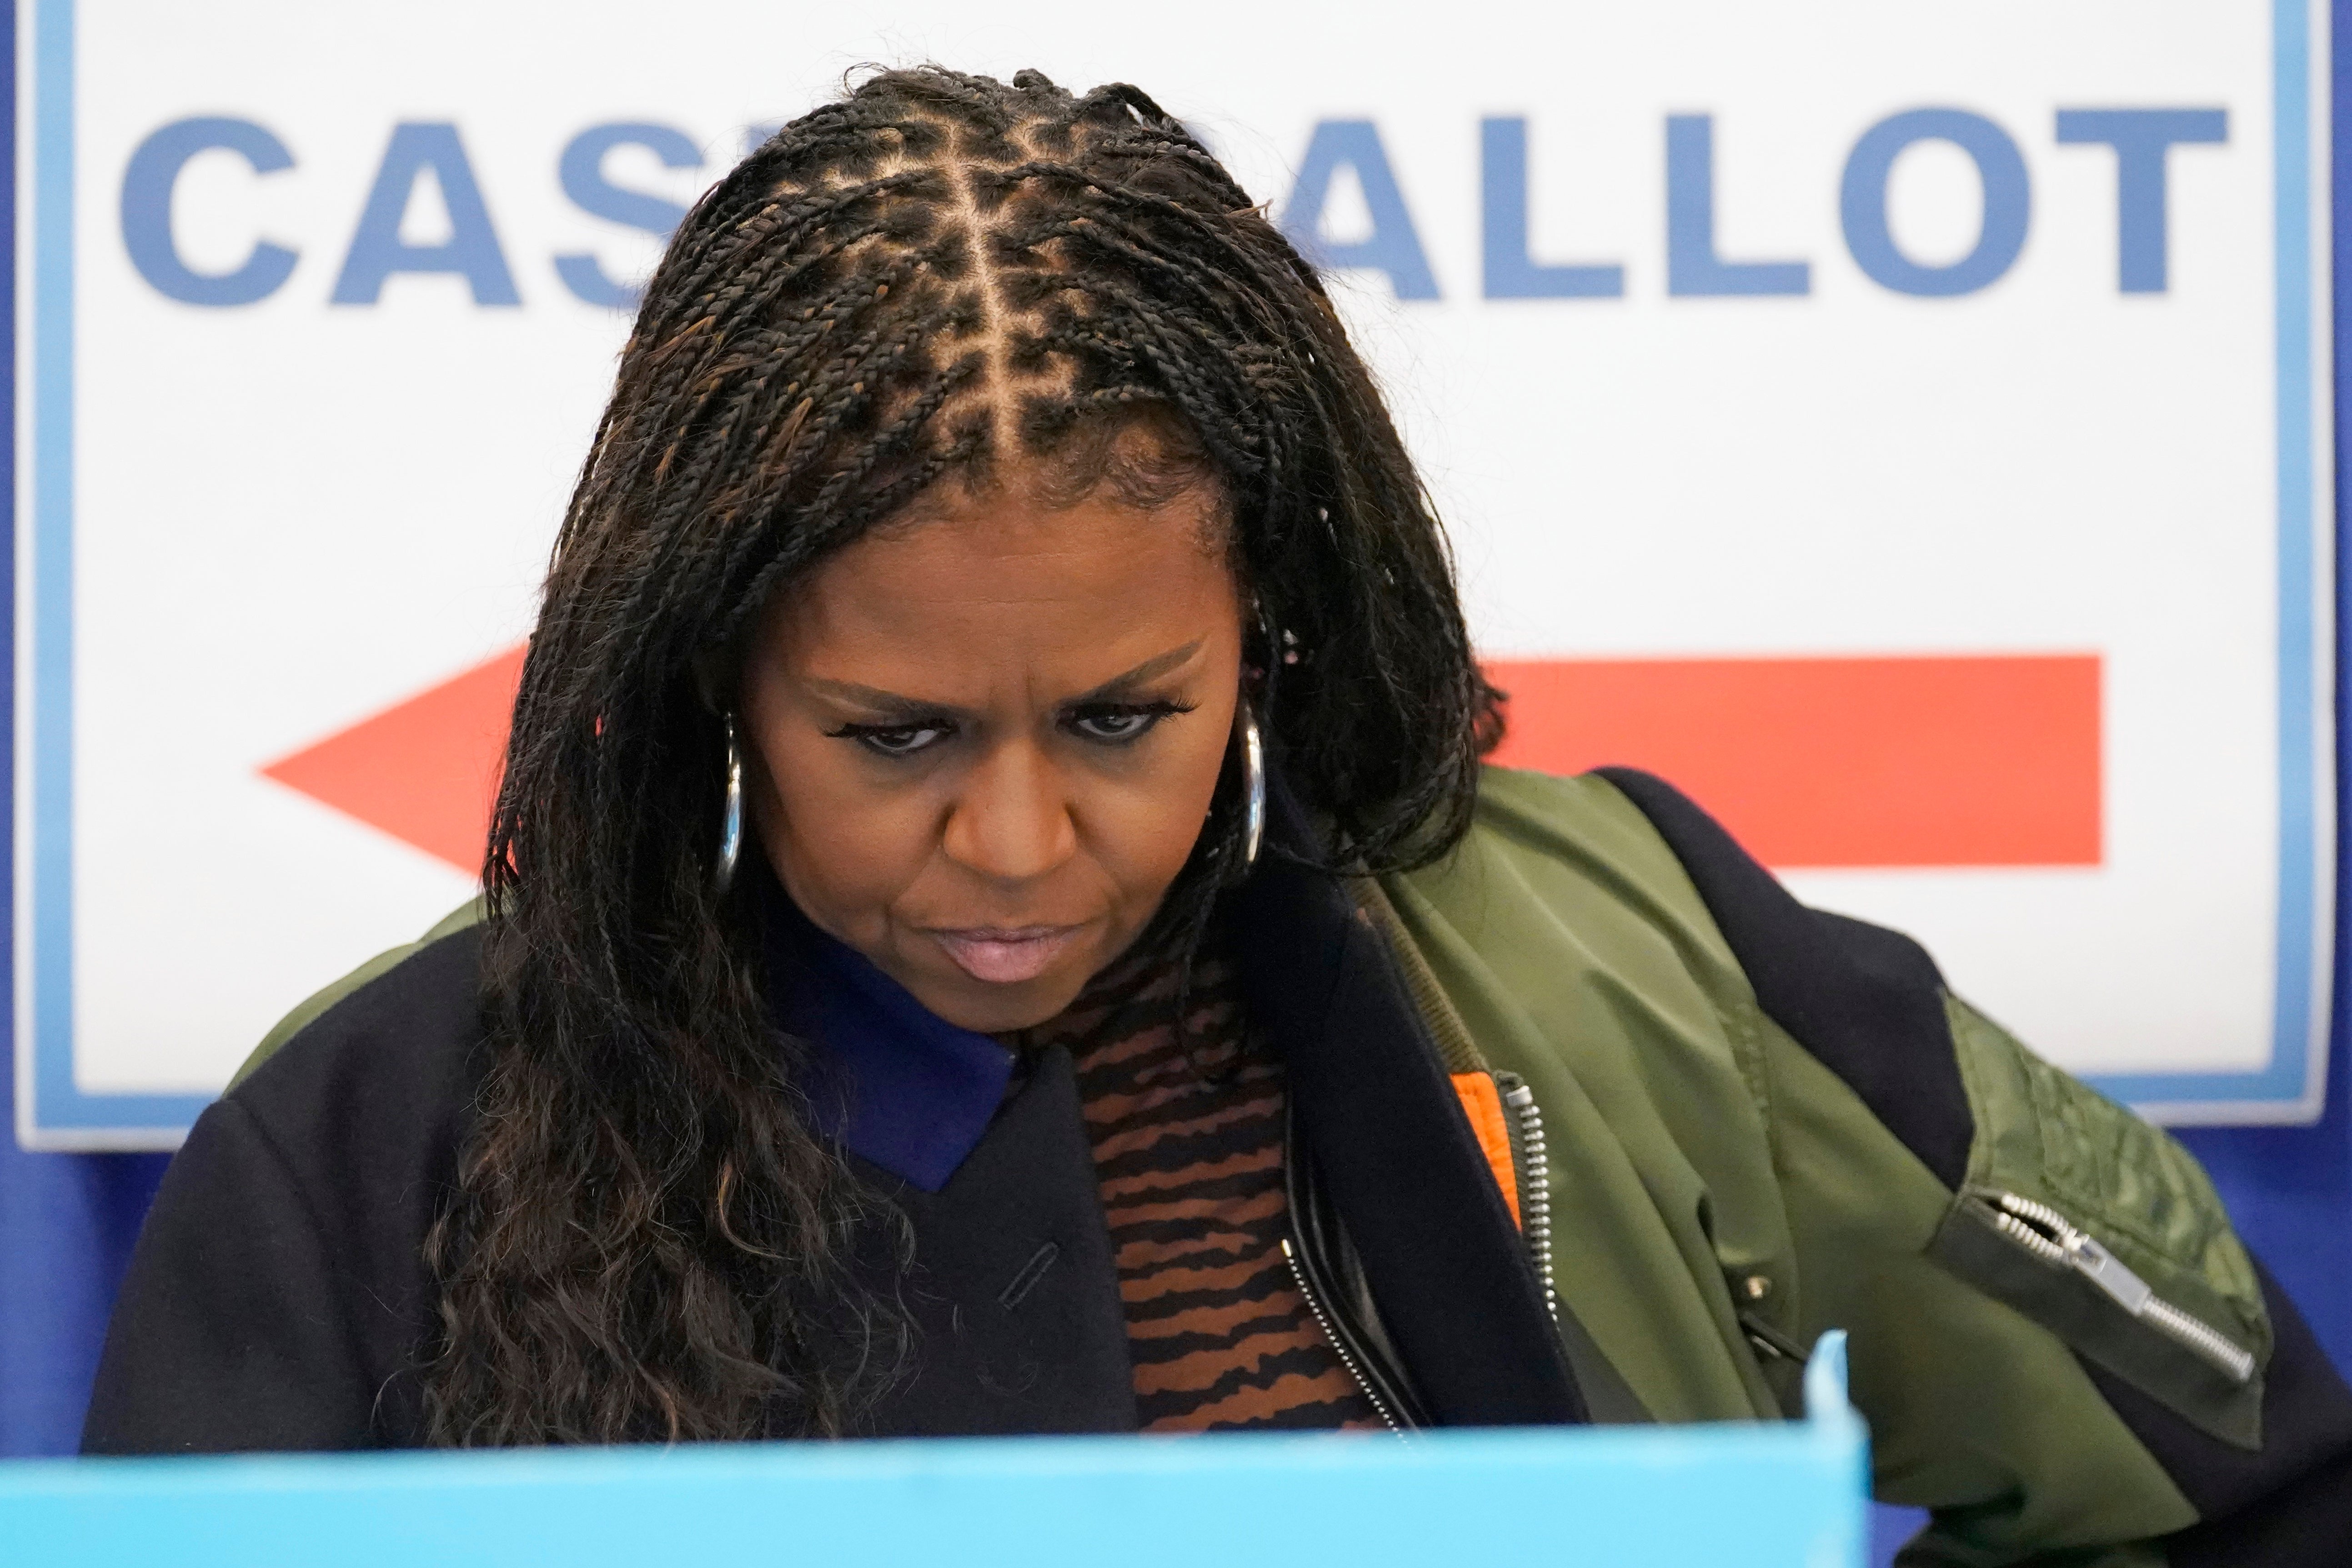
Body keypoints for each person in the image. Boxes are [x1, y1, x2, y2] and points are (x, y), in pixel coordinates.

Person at [84, 66, 2350, 1562]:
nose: (1014, 844)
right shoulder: (373, 1145)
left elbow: (2256, 1474)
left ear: (1261, 626)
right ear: (715, 675)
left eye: (1120, 715)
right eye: (893, 735)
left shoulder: (1640, 966)